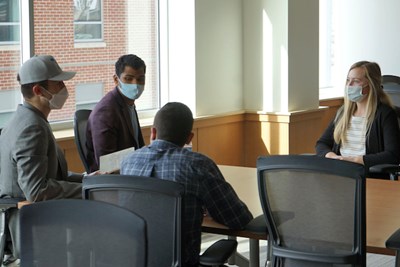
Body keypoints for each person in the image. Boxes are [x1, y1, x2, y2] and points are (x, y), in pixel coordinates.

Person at [120, 102, 253, 267]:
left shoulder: (128, 162)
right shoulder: (197, 164)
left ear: (153, 132)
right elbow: (239, 218)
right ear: (189, 138)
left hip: (134, 260)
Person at [0, 55, 94, 259]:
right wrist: (89, 190)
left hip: (39, 217)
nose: (64, 88)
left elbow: (51, 173)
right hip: (31, 225)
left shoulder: (30, 119)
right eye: (58, 83)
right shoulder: (31, 127)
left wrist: (89, 179)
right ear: (38, 90)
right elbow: (36, 190)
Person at [316, 61, 400, 176]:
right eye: (348, 80)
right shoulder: (343, 112)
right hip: (338, 173)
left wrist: (355, 160)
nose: (349, 85)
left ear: (370, 85)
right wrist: (333, 157)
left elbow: (393, 154)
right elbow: (322, 143)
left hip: (366, 175)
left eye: (356, 81)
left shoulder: (385, 114)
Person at [86, 54, 146, 172]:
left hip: (131, 171)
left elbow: (138, 148)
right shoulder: (105, 113)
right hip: (113, 182)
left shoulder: (128, 103)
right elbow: (107, 165)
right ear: (116, 80)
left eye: (140, 79)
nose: (135, 84)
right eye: (128, 79)